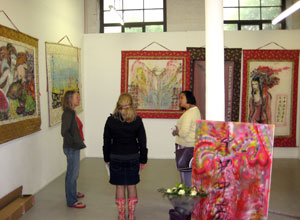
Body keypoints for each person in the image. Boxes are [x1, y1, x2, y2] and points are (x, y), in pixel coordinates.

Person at [103, 93, 148, 220]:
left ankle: (121, 215)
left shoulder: (111, 120)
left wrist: (106, 158)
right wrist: (143, 159)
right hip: (133, 157)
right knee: (132, 185)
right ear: (131, 105)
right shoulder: (137, 120)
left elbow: (106, 141)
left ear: (118, 105)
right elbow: (142, 141)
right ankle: (132, 215)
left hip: (116, 157)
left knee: (120, 186)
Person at [61, 90, 86, 208]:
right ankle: (71, 200)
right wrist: (74, 143)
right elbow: (64, 132)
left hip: (73, 147)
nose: (79, 98)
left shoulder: (71, 112)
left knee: (73, 173)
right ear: (70, 99)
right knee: (72, 174)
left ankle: (73, 192)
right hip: (72, 148)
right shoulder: (67, 114)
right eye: (77, 97)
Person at [172, 91, 201, 187]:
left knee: (185, 172)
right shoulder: (194, 111)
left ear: (188, 98)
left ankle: (186, 196)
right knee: (189, 172)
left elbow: (184, 133)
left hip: (185, 146)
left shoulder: (189, 114)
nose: (179, 100)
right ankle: (187, 193)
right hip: (191, 146)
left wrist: (175, 132)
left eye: (182, 98)